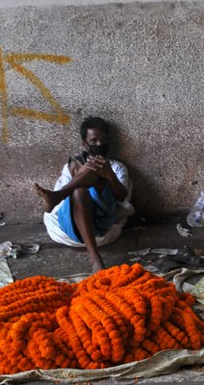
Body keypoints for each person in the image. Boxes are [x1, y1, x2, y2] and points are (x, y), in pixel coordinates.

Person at [33, 116, 134, 272]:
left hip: (100, 222)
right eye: (94, 141)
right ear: (85, 144)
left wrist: (109, 176)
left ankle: (57, 194)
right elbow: (60, 208)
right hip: (73, 223)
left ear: (109, 141)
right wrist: (81, 173)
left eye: (103, 140)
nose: (99, 144)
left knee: (94, 171)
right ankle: (95, 258)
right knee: (79, 190)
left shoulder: (117, 167)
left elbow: (123, 198)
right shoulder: (73, 165)